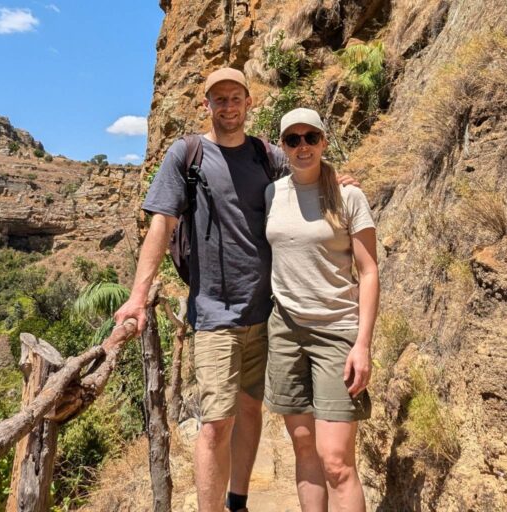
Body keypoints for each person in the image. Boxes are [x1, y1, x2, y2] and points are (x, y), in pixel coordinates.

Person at [113, 67, 288, 512]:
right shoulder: (186, 154)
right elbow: (161, 223)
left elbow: (309, 175)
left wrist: (337, 180)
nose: (228, 106)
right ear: (206, 104)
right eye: (219, 99)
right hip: (214, 315)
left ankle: (239, 502)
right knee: (215, 424)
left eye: (235, 98)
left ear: (250, 103)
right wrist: (138, 295)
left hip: (265, 311)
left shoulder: (268, 156)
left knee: (252, 412)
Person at [263, 108, 379, 512]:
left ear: (324, 141)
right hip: (285, 330)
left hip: (336, 333)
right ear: (282, 147)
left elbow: (368, 271)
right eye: (292, 140)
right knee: (303, 447)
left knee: (336, 462)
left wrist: (362, 344)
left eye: (310, 137)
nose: (302, 146)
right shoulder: (273, 193)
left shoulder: (349, 196)